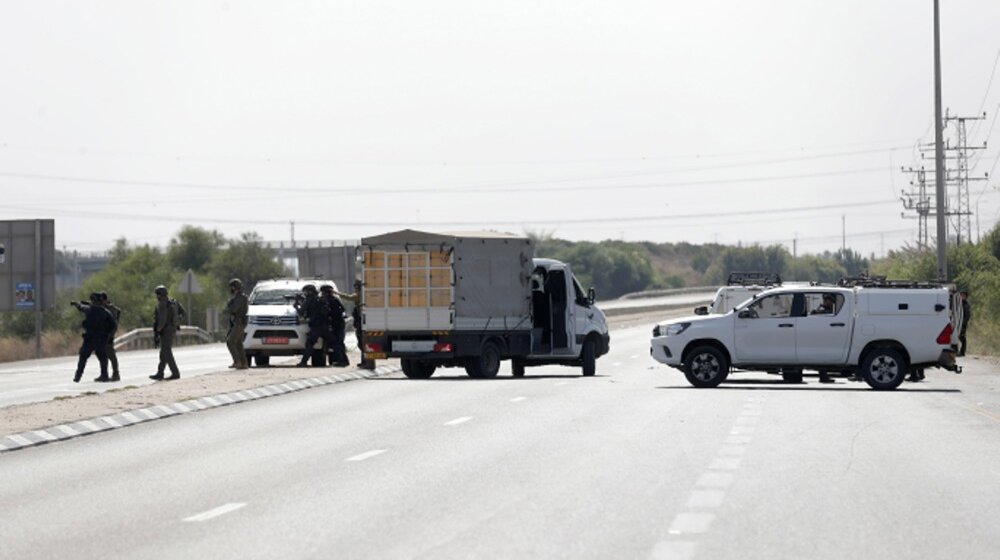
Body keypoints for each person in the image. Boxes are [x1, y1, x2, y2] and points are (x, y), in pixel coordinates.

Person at [72, 292, 117, 383]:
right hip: (99, 339)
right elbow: (113, 326)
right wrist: (108, 336)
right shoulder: (105, 312)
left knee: (84, 357)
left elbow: (81, 307)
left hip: (91, 338)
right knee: (102, 357)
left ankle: (78, 376)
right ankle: (104, 375)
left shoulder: (89, 310)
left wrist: (76, 304)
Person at [338, 279, 374, 370]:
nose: (355, 288)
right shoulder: (364, 294)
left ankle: (367, 362)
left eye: (356, 287)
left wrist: (337, 293)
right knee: (362, 343)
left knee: (362, 343)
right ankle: (365, 361)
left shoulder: (360, 295)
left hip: (361, 322)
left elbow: (349, 297)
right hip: (362, 322)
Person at [150, 285, 183, 381]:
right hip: (172, 329)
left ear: (160, 294)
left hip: (166, 330)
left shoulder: (162, 304)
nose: (157, 296)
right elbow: (182, 313)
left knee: (167, 352)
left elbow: (162, 319)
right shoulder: (174, 302)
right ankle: (160, 372)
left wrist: (158, 330)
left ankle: (175, 373)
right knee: (163, 352)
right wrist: (176, 321)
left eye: (157, 294)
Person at [294, 284, 331, 367]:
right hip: (324, 325)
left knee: (310, 344)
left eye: (306, 291)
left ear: (309, 292)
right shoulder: (320, 299)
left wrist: (297, 306)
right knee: (334, 343)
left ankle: (304, 362)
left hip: (316, 326)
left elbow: (301, 312)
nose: (305, 293)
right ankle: (342, 360)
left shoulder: (308, 300)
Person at [320, 284, 350, 367]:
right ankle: (344, 360)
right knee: (339, 343)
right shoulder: (335, 299)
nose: (322, 294)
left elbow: (327, 312)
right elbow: (343, 309)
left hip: (336, 324)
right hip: (339, 323)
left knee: (336, 343)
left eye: (323, 292)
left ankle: (342, 361)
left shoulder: (329, 300)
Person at [225, 278, 249, 370]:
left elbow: (233, 309)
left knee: (230, 341)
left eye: (232, 287)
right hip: (239, 322)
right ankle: (243, 363)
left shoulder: (240, 298)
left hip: (239, 322)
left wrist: (229, 303)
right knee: (238, 343)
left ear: (235, 287)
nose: (231, 289)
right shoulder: (240, 297)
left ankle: (237, 362)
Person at [99, 292, 122, 382]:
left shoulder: (110, 309)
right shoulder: (104, 308)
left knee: (111, 355)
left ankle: (116, 374)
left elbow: (113, 324)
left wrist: (110, 335)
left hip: (108, 335)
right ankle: (104, 374)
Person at [958, 290, 971, 357]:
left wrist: (963, 324)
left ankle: (962, 352)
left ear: (966, 297)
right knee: (957, 337)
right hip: (957, 323)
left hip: (962, 323)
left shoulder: (966, 305)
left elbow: (967, 316)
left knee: (962, 337)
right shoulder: (959, 303)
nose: (962, 296)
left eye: (963, 295)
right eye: (961, 295)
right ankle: (957, 351)